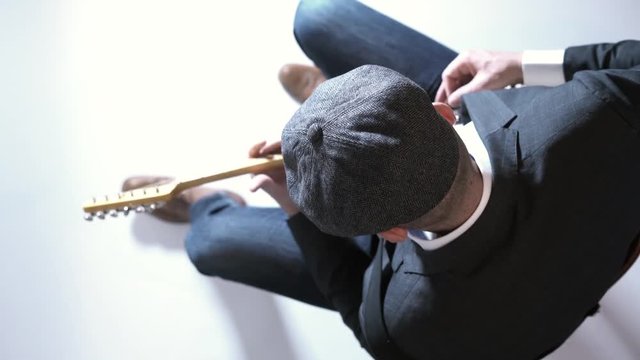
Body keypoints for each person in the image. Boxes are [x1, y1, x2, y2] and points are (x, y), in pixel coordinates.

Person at [124, 0, 640, 358]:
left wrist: (296, 211)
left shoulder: (408, 315)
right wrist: (525, 64)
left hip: (438, 237)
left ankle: (210, 199)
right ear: (440, 110)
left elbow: (356, 301)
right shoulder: (599, 108)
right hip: (523, 156)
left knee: (208, 240)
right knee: (317, 15)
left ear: (386, 234)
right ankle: (354, 131)